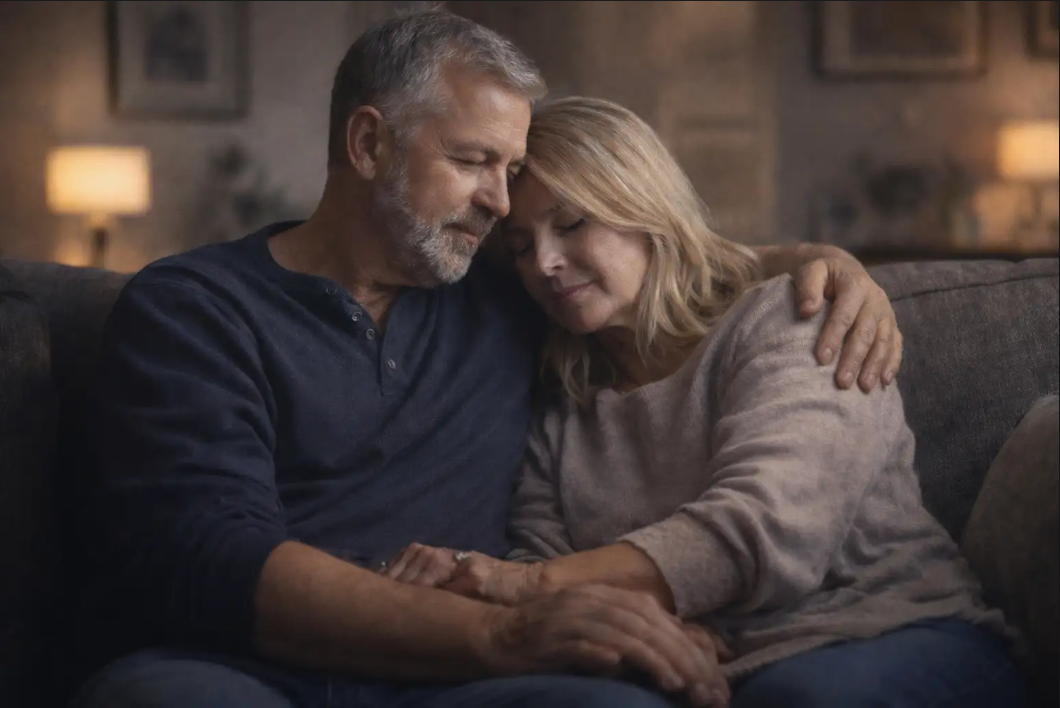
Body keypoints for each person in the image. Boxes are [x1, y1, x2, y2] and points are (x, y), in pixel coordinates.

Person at [72, 10, 903, 708]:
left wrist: (819, 263)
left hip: (470, 684)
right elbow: (205, 557)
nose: (503, 205)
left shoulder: (505, 289)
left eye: (510, 171)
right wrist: (504, 628)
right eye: (473, 162)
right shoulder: (194, 308)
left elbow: (655, 258)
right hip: (251, 671)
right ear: (368, 144)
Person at [383, 96, 1031, 708]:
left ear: (643, 207)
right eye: (521, 246)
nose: (545, 263)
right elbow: (546, 560)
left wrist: (510, 583)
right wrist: (618, 627)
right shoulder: (563, 404)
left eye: (572, 223)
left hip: (886, 634)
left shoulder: (793, 319)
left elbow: (763, 532)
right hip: (706, 667)